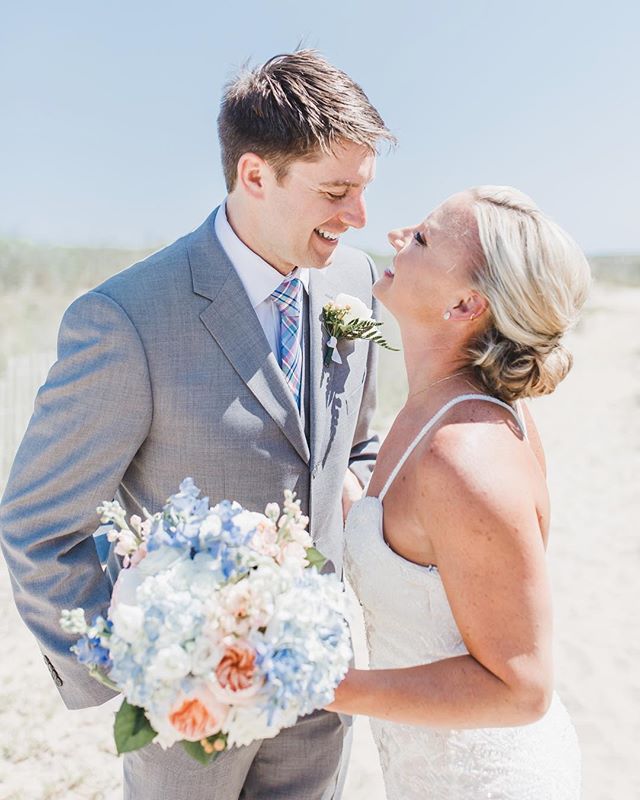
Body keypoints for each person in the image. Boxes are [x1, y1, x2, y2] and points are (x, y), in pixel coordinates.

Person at [0, 50, 395, 800]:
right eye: (336, 191)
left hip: (325, 699)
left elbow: (361, 445)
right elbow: (36, 523)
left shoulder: (354, 283)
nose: (358, 218)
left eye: (364, 190)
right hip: (190, 731)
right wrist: (141, 662)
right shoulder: (127, 320)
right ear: (255, 176)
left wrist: (352, 484)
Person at [333, 186, 590, 798]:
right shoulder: (439, 411)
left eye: (421, 238)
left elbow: (521, 687)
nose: (396, 235)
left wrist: (331, 689)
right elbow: (403, 529)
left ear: (465, 303)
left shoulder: (464, 453)